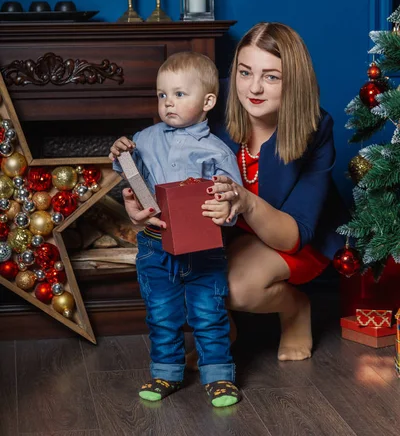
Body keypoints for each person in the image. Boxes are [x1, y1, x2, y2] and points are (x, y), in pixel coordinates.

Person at [120, 22, 348, 364]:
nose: (253, 87)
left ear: (294, 82)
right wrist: (143, 206)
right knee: (177, 272)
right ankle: (225, 328)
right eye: (245, 72)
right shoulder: (212, 98)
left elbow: (292, 236)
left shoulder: (317, 126)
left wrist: (245, 200)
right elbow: (163, 156)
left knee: (235, 287)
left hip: (292, 235)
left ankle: (295, 308)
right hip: (228, 230)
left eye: (271, 76)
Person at [109, 51, 243, 408]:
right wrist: (120, 153)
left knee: (208, 312)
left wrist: (225, 206)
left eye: (179, 94)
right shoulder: (145, 138)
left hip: (203, 249)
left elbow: (233, 203)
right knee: (161, 313)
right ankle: (166, 372)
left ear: (208, 101)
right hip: (155, 245)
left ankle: (219, 375)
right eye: (162, 94)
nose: (168, 103)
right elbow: (129, 174)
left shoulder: (217, 151)